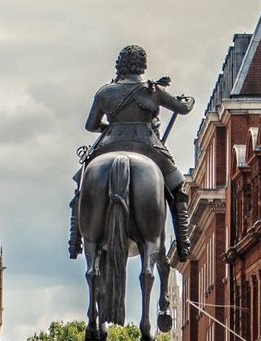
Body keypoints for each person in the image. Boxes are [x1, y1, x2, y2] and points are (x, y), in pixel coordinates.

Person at [69, 44, 195, 260]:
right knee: (177, 187)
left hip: (109, 143)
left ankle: (75, 240)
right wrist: (188, 100)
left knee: (81, 189)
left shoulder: (105, 92)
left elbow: (90, 125)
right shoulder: (153, 90)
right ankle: (183, 244)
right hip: (147, 146)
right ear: (142, 65)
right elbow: (183, 109)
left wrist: (108, 128)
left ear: (121, 64)